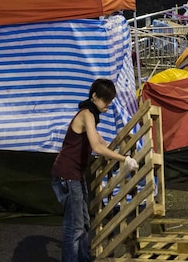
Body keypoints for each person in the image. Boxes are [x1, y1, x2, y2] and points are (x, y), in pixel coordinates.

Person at [51, 78, 139, 262]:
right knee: (74, 227)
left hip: (75, 175)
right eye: (106, 99)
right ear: (94, 96)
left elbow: (100, 142)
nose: (109, 103)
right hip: (67, 175)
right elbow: (97, 148)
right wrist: (124, 159)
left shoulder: (91, 115)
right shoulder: (86, 114)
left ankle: (84, 259)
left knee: (83, 222)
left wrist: (117, 149)